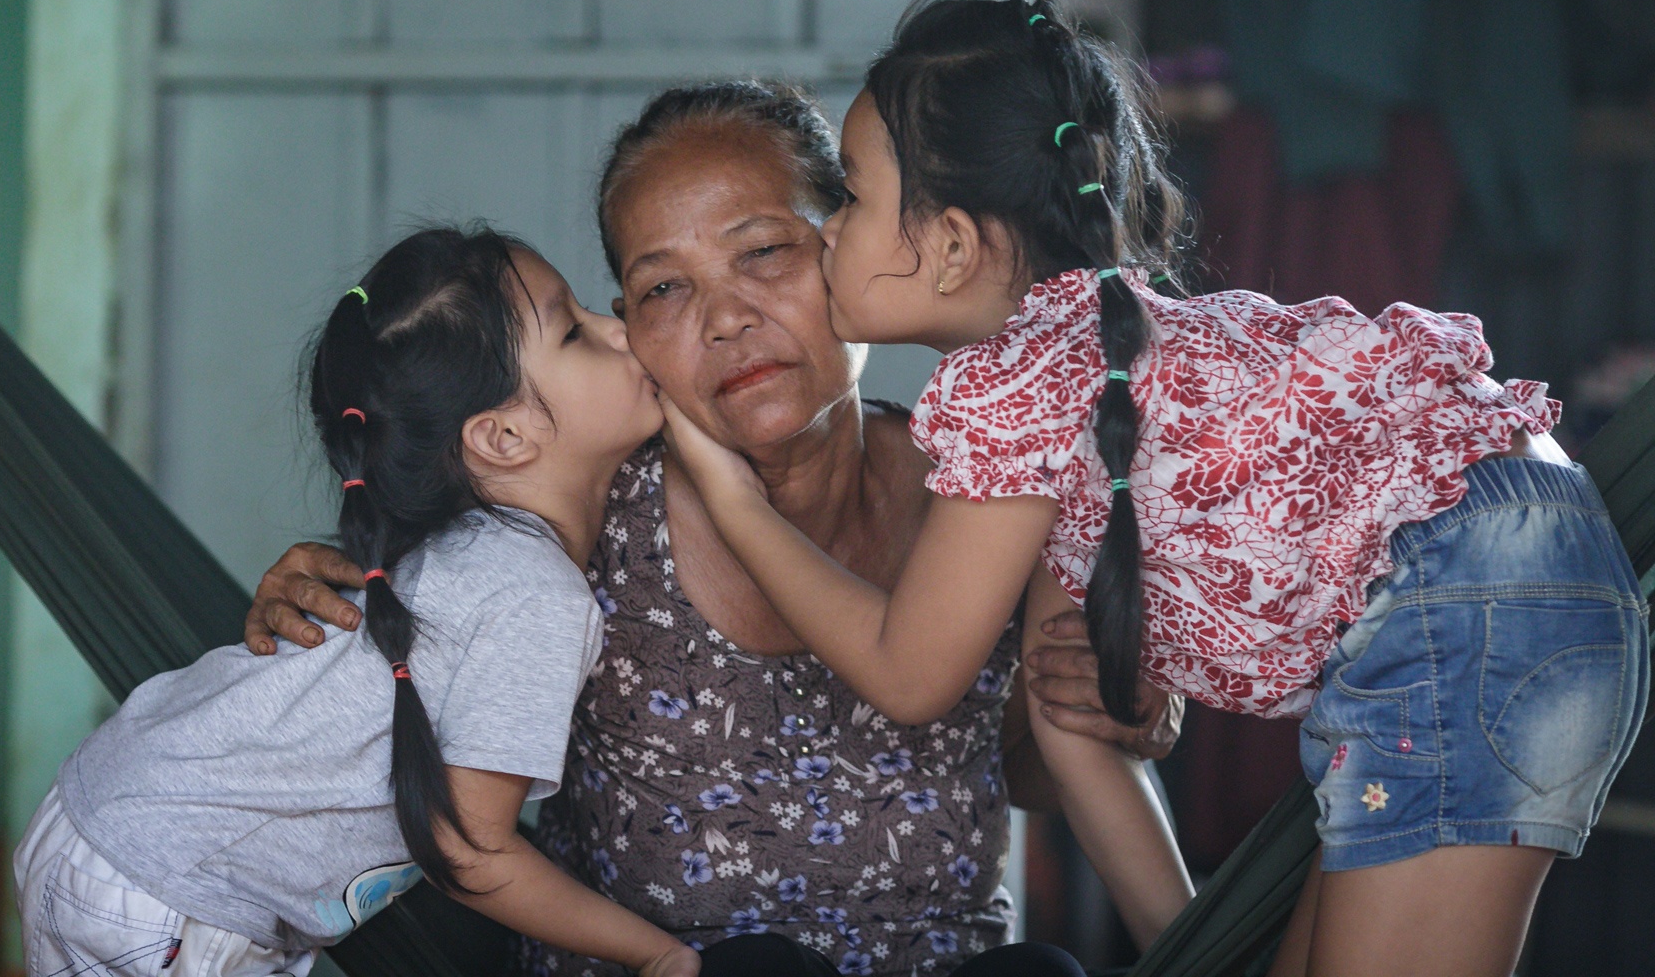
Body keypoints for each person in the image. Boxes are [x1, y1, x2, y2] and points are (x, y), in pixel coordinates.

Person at [661, 0, 1650, 977]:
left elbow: (909, 672)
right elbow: (1073, 717)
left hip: (1463, 601)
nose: (827, 231)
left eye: (853, 196)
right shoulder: (1108, 372)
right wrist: (1192, 957)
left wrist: (733, 499)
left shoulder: (1014, 380)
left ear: (953, 244)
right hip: (1502, 586)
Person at [246, 82, 1185, 976]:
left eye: (763, 252)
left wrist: (1116, 712)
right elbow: (402, 655)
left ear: (849, 248)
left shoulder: (984, 493)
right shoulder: (571, 532)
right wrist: (322, 584)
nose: (728, 320)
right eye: (664, 290)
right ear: (627, 334)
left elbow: (1022, 769)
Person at [14, 228, 699, 977]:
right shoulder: (535, 596)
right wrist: (660, 955)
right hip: (166, 884)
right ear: (503, 436)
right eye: (575, 332)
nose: (618, 326)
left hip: (129, 833)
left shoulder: (475, 554)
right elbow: (470, 851)